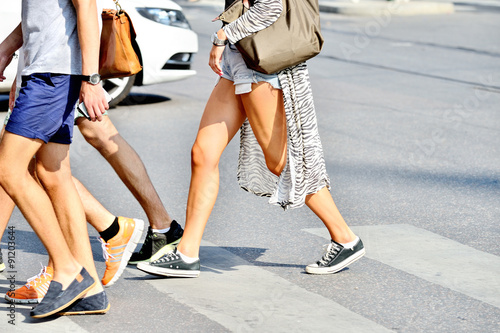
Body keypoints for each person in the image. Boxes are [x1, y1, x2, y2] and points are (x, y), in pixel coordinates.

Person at [137, 0, 365, 278]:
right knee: (203, 153)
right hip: (239, 61)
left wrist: (222, 36)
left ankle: (345, 238)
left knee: (279, 162)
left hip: (263, 65)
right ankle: (187, 253)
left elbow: (271, 7)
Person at [0, 0, 110, 317]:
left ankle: (68, 270)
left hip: (52, 76)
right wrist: (9, 50)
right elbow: (47, 12)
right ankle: (91, 289)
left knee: (8, 170)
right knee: (53, 175)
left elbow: (86, 7)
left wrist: (91, 80)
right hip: (49, 72)